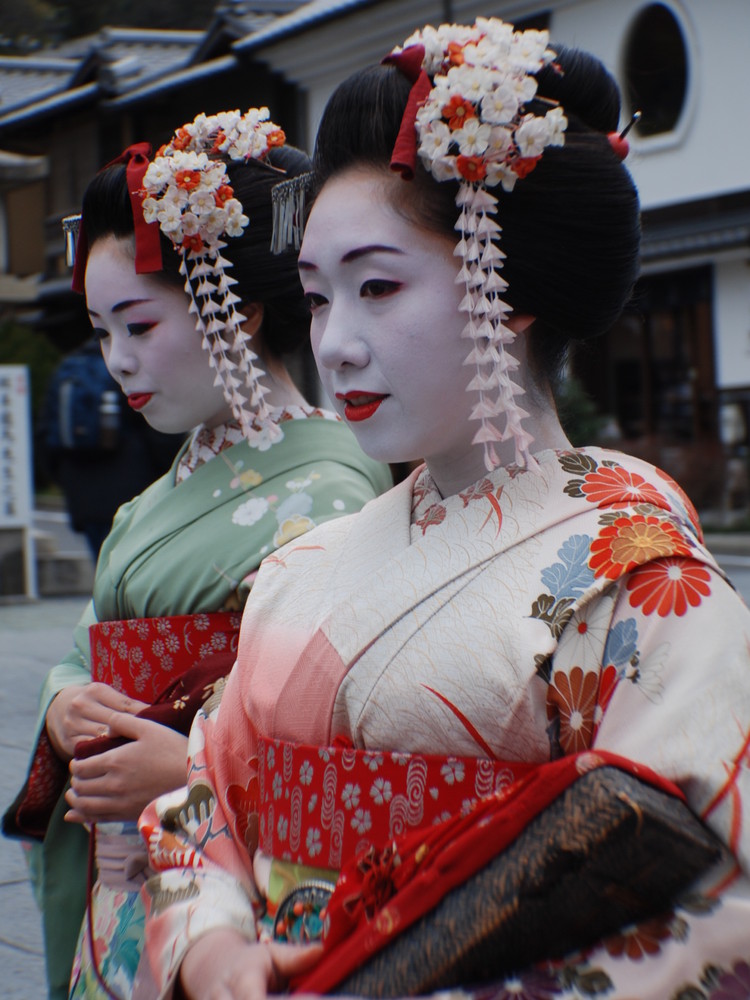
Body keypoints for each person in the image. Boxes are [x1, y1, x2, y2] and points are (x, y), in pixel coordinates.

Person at [136, 21, 750, 1000]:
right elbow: (205, 790)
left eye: (377, 285)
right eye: (319, 297)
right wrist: (212, 947)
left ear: (503, 287)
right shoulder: (305, 563)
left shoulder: (634, 570)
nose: (334, 343)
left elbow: (727, 887)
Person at [1, 107, 391, 1000]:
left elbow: (337, 736)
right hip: (122, 845)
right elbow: (86, 642)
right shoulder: (172, 484)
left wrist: (185, 769)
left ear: (239, 311)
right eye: (101, 334)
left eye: (138, 326)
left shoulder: (333, 493)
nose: (116, 362)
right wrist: (67, 703)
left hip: (223, 867)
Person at [37, 335, 184, 559]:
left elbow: (45, 437)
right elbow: (160, 432)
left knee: (106, 572)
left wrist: (67, 481)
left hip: (83, 495)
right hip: (135, 490)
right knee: (142, 569)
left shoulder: (67, 370)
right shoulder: (126, 370)